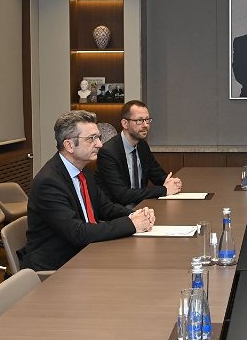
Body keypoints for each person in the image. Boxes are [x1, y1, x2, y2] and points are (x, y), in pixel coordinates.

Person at [22, 110, 155, 271]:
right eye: (91, 138)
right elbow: (78, 233)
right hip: (58, 267)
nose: (99, 144)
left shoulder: (83, 171)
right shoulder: (49, 183)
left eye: (98, 137)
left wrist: (135, 215)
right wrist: (131, 224)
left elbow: (106, 208)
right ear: (69, 145)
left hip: (85, 253)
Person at [95, 100, 182, 207]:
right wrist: (164, 190)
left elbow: (158, 176)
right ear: (125, 123)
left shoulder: (142, 146)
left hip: (142, 206)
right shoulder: (108, 152)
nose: (145, 125)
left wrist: (172, 182)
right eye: (139, 120)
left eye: (147, 120)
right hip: (118, 211)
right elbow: (122, 195)